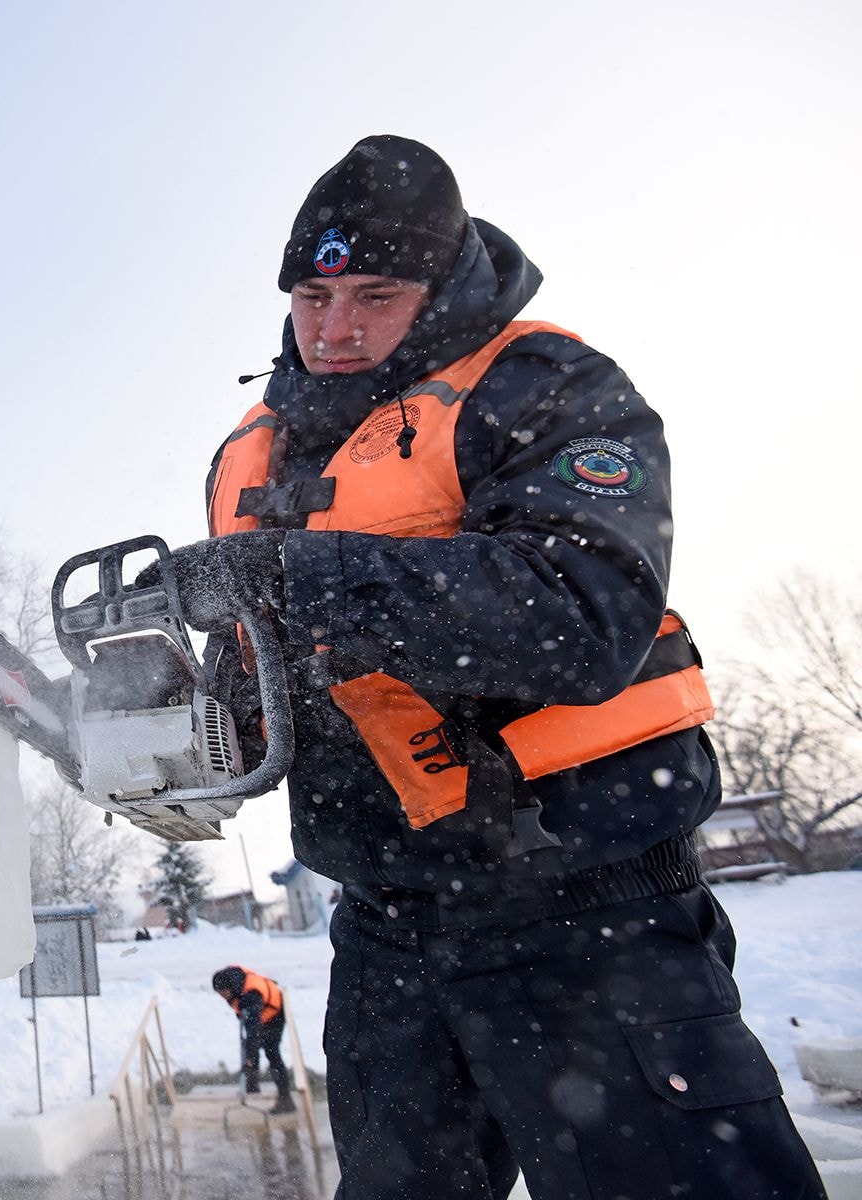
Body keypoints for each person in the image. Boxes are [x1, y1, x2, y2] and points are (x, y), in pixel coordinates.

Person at [164, 136, 825, 1199]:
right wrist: (184, 724)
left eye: (373, 294)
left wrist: (301, 578)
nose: (335, 329)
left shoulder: (543, 384)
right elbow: (268, 675)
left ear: (441, 285)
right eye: (312, 296)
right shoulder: (263, 450)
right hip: (384, 922)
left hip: (581, 904)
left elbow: (585, 612)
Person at [211, 965, 295, 1113]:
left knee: (271, 1052)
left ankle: (286, 1100)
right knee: (249, 1046)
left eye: (223, 993)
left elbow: (253, 1030)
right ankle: (252, 1087)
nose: (222, 997)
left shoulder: (250, 996)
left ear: (228, 988)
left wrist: (250, 1057)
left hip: (275, 1013)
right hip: (257, 1013)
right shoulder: (233, 982)